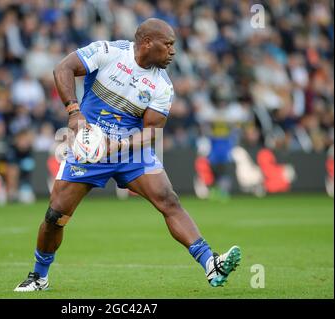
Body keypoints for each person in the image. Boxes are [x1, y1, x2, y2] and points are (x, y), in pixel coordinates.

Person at [14, 18, 241, 292]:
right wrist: (74, 112)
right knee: (55, 216)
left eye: (174, 46)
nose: (173, 52)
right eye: (167, 45)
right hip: (89, 146)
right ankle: (39, 277)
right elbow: (63, 68)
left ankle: (210, 263)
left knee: (168, 200)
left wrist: (117, 146)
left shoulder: (162, 86)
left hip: (129, 149)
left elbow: (151, 132)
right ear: (147, 43)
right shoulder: (108, 52)